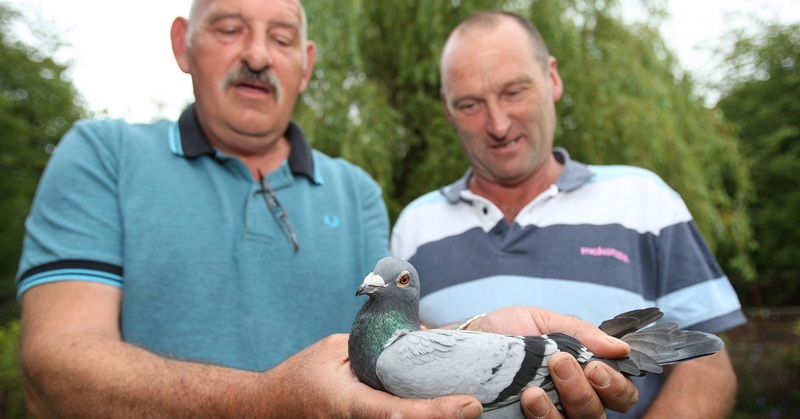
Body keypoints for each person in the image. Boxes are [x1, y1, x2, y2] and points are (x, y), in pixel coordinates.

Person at [15, 1, 639, 417]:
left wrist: (476, 337)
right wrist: (269, 402)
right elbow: (53, 367)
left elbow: (385, 350)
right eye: (230, 28)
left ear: (307, 64)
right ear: (183, 43)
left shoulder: (356, 190)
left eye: (282, 37)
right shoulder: (103, 154)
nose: (258, 55)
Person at [391, 10, 746, 418]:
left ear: (553, 79)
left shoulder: (645, 200)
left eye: (514, 92)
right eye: (470, 104)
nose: (499, 124)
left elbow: (707, 363)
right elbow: (402, 357)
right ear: (447, 108)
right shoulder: (414, 227)